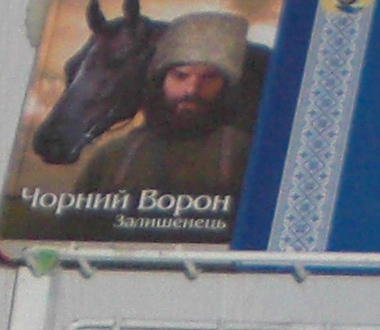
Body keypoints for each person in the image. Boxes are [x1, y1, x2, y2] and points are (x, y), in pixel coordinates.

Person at [73, 11, 256, 205]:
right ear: (161, 82)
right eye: (180, 76)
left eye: (209, 78)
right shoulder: (112, 157)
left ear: (225, 86)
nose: (192, 89)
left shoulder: (247, 154)